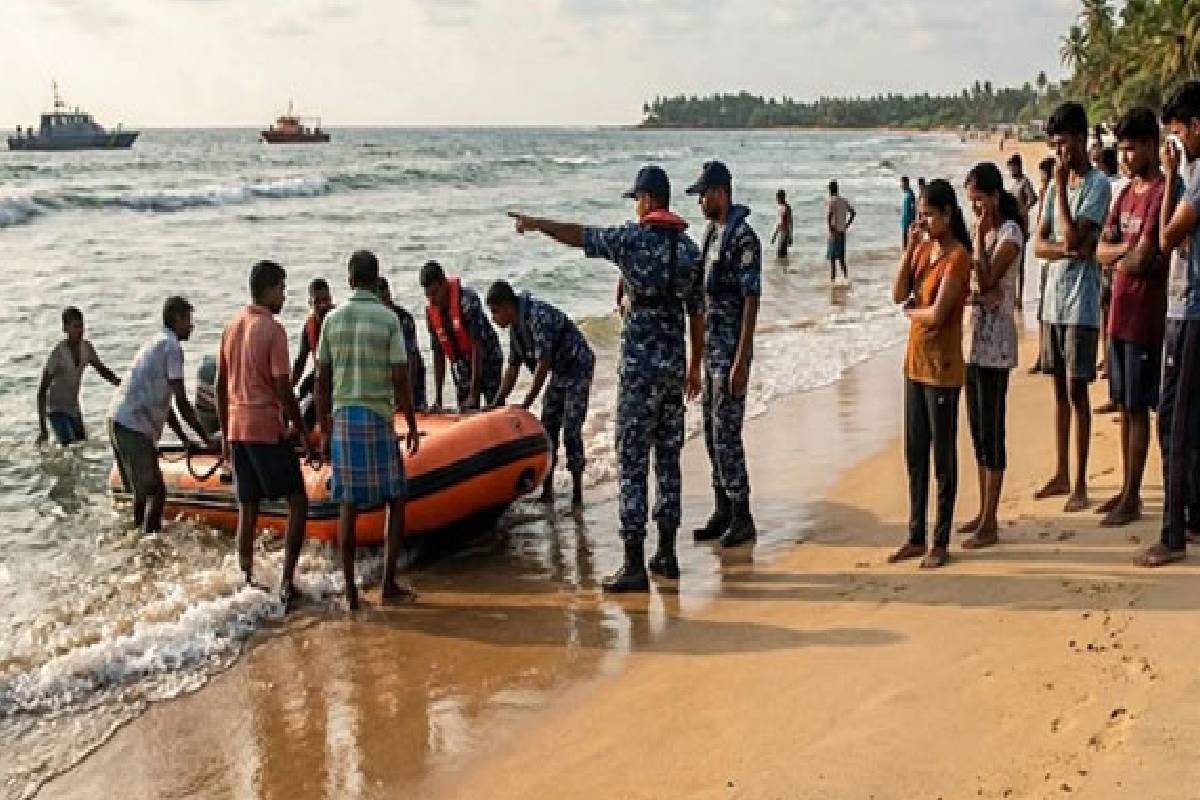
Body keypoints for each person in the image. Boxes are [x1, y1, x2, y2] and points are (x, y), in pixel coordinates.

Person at [508, 165, 704, 592]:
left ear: (647, 200)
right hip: (673, 368)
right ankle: (667, 554)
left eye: (637, 199)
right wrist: (695, 367)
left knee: (632, 461)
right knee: (668, 460)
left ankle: (634, 564)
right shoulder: (690, 251)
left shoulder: (632, 241)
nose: (635, 207)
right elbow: (697, 313)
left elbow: (580, 235)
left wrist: (538, 224)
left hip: (639, 372)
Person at [316, 250, 421, 609]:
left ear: (349, 280)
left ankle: (350, 591)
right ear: (376, 280)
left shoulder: (331, 321)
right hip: (378, 416)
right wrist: (411, 423)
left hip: (344, 418)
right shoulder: (388, 319)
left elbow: (321, 380)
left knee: (348, 504)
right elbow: (400, 377)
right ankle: (388, 583)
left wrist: (324, 429)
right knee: (396, 498)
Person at [215, 260, 313, 602]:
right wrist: (301, 430)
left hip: (237, 429)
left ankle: (246, 579)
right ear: (269, 290)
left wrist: (225, 434)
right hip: (265, 428)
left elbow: (220, 385)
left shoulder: (231, 327)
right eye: (282, 289)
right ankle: (287, 582)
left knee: (248, 507)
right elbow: (283, 387)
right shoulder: (273, 330)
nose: (284, 296)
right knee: (298, 501)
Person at [889, 179, 972, 569]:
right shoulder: (923, 251)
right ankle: (915, 535)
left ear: (947, 215)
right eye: (920, 215)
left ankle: (940, 540)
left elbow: (937, 314)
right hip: (915, 364)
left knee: (943, 457)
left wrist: (911, 313)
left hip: (943, 369)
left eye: (928, 215)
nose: (923, 221)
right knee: (915, 454)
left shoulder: (958, 258)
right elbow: (896, 292)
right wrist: (909, 248)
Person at [1033, 101, 1112, 513]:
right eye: (1055, 145)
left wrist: (1061, 189)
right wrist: (1066, 248)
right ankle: (1061, 471)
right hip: (1053, 302)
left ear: (1081, 140)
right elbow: (1040, 245)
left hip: (1080, 305)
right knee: (1057, 391)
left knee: (1077, 390)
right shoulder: (1052, 188)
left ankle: (1080, 480)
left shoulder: (1097, 186)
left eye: (1064, 143)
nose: (1059, 152)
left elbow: (1069, 238)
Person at [1094, 108, 1169, 529]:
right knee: (1124, 405)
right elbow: (1101, 251)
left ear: (1150, 146)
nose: (1124, 157)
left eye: (1131, 149)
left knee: (1139, 407)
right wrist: (1126, 250)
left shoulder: (1161, 193)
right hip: (1119, 314)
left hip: (1144, 315)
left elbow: (1144, 259)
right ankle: (1126, 489)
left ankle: (1133, 495)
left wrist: (1120, 254)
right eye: (1121, 150)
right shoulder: (1124, 193)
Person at [1138, 82, 1200, 567]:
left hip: (1191, 311)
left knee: (1174, 424)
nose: (1173, 144)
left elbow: (1164, 238)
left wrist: (1172, 177)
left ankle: (1172, 531)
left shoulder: (1196, 177)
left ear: (1195, 127)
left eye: (1177, 133)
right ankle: (1193, 516)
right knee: (1187, 421)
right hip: (1185, 307)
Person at [686, 160, 761, 550]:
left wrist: (741, 361)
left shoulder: (744, 239)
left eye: (703, 194)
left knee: (727, 434)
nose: (699, 201)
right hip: (711, 352)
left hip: (730, 353)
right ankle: (722, 509)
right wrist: (696, 358)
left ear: (720, 193)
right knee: (711, 433)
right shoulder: (711, 234)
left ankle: (742, 515)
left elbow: (751, 301)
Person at [958, 163, 1024, 549]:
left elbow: (985, 280)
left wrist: (980, 238)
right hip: (974, 342)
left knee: (993, 430)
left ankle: (991, 521)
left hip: (997, 345)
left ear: (995, 197)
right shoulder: (981, 232)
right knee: (977, 429)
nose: (975, 208)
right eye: (971, 202)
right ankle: (983, 511)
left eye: (979, 200)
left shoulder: (1010, 233)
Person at [108, 297, 213, 534]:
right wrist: (206, 438)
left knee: (141, 493)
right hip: (133, 425)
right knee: (155, 492)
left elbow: (165, 406)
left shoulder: (157, 343)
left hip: (118, 420)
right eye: (188, 320)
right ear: (176, 319)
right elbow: (181, 402)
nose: (192, 326)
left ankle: (137, 537)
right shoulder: (172, 347)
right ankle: (149, 541)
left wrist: (184, 439)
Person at [486, 280, 595, 506]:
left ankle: (577, 494)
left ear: (507, 307)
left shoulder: (537, 316)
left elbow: (542, 365)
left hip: (577, 366)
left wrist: (526, 403)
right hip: (560, 372)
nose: (494, 319)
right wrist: (496, 403)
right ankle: (548, 491)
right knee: (548, 428)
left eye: (495, 312)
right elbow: (512, 369)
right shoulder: (516, 329)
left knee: (571, 431)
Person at [419, 261, 503, 412]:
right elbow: (438, 354)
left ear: (444, 283)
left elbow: (477, 345)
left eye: (435, 293)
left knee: (494, 406)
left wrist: (474, 393)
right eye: (428, 296)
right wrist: (438, 398)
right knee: (465, 409)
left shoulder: (468, 301)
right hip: (461, 365)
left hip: (487, 358)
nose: (432, 299)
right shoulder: (431, 313)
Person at [36, 306, 121, 445]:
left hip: (74, 408)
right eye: (75, 326)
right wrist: (43, 428)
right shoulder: (58, 354)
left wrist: (119, 383)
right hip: (56, 409)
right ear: (65, 328)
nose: (80, 331)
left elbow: (102, 370)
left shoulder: (86, 348)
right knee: (70, 445)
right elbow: (42, 390)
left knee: (82, 445)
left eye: (81, 326)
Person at [1095, 145, 1126, 385]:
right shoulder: (1124, 185)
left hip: (1110, 260)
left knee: (1107, 312)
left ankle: (1108, 361)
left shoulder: (1109, 185)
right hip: (1118, 257)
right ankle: (1108, 362)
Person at [378, 276, 428, 412]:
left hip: (410, 377)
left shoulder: (403, 319)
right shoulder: (374, 322)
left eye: (385, 299)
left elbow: (411, 359)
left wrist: (406, 395)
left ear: (389, 295)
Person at [291, 278, 335, 429]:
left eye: (326, 300)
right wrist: (287, 390)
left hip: (340, 377)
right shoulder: (309, 327)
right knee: (304, 389)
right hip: (319, 377)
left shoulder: (339, 321)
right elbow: (300, 361)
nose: (323, 305)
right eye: (317, 302)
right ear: (310, 303)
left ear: (331, 299)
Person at [1029, 156, 1057, 375]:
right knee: (1042, 309)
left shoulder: (1054, 196)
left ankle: (1047, 355)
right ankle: (1042, 354)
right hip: (1043, 258)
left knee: (1048, 310)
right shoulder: (1046, 195)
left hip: (1051, 259)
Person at [1007, 153, 1038, 305]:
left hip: (1022, 225)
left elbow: (1033, 198)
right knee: (1013, 262)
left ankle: (1020, 296)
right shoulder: (1015, 184)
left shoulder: (1025, 182)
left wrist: (1023, 210)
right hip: (1014, 224)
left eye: (1012, 168)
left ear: (1018, 166)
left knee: (1021, 263)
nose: (1011, 171)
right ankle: (1014, 294)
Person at [826, 181, 856, 281]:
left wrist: (830, 229)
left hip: (834, 232)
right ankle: (846, 278)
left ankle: (833, 279)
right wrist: (847, 225)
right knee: (842, 259)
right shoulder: (843, 200)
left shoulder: (832, 201)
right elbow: (853, 213)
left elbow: (829, 216)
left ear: (830, 190)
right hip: (842, 231)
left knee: (832, 260)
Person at [770, 189, 793, 259]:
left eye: (777, 197)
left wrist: (774, 235)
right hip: (784, 233)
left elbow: (781, 223)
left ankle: (784, 265)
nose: (777, 200)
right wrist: (790, 236)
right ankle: (785, 265)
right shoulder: (786, 207)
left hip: (783, 234)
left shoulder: (784, 208)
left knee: (780, 254)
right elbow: (790, 222)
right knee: (782, 254)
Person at [900, 177, 917, 247]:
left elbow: (913, 207)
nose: (901, 185)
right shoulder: (906, 193)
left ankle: (905, 250)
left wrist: (913, 220)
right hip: (905, 219)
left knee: (906, 237)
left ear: (907, 183)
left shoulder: (910, 194)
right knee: (905, 236)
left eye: (902, 184)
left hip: (909, 219)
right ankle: (904, 250)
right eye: (901, 183)